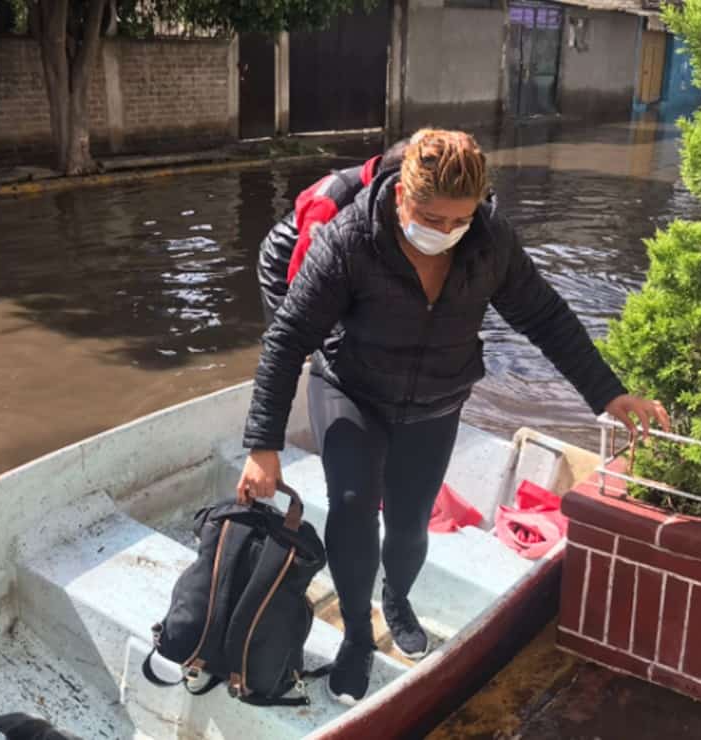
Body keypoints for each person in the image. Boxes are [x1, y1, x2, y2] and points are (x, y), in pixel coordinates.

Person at [237, 128, 670, 704]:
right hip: (350, 390)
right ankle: (359, 637)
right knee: (351, 508)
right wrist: (263, 445)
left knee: (412, 523)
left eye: (457, 220)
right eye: (430, 218)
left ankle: (397, 599)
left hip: (437, 400)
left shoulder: (490, 243)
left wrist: (608, 393)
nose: (443, 233)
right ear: (400, 197)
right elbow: (288, 337)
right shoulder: (348, 240)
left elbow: (545, 316)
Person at [257, 138, 409, 325]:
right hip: (287, 255)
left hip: (345, 248)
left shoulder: (385, 183)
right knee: (295, 328)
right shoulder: (330, 203)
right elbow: (301, 275)